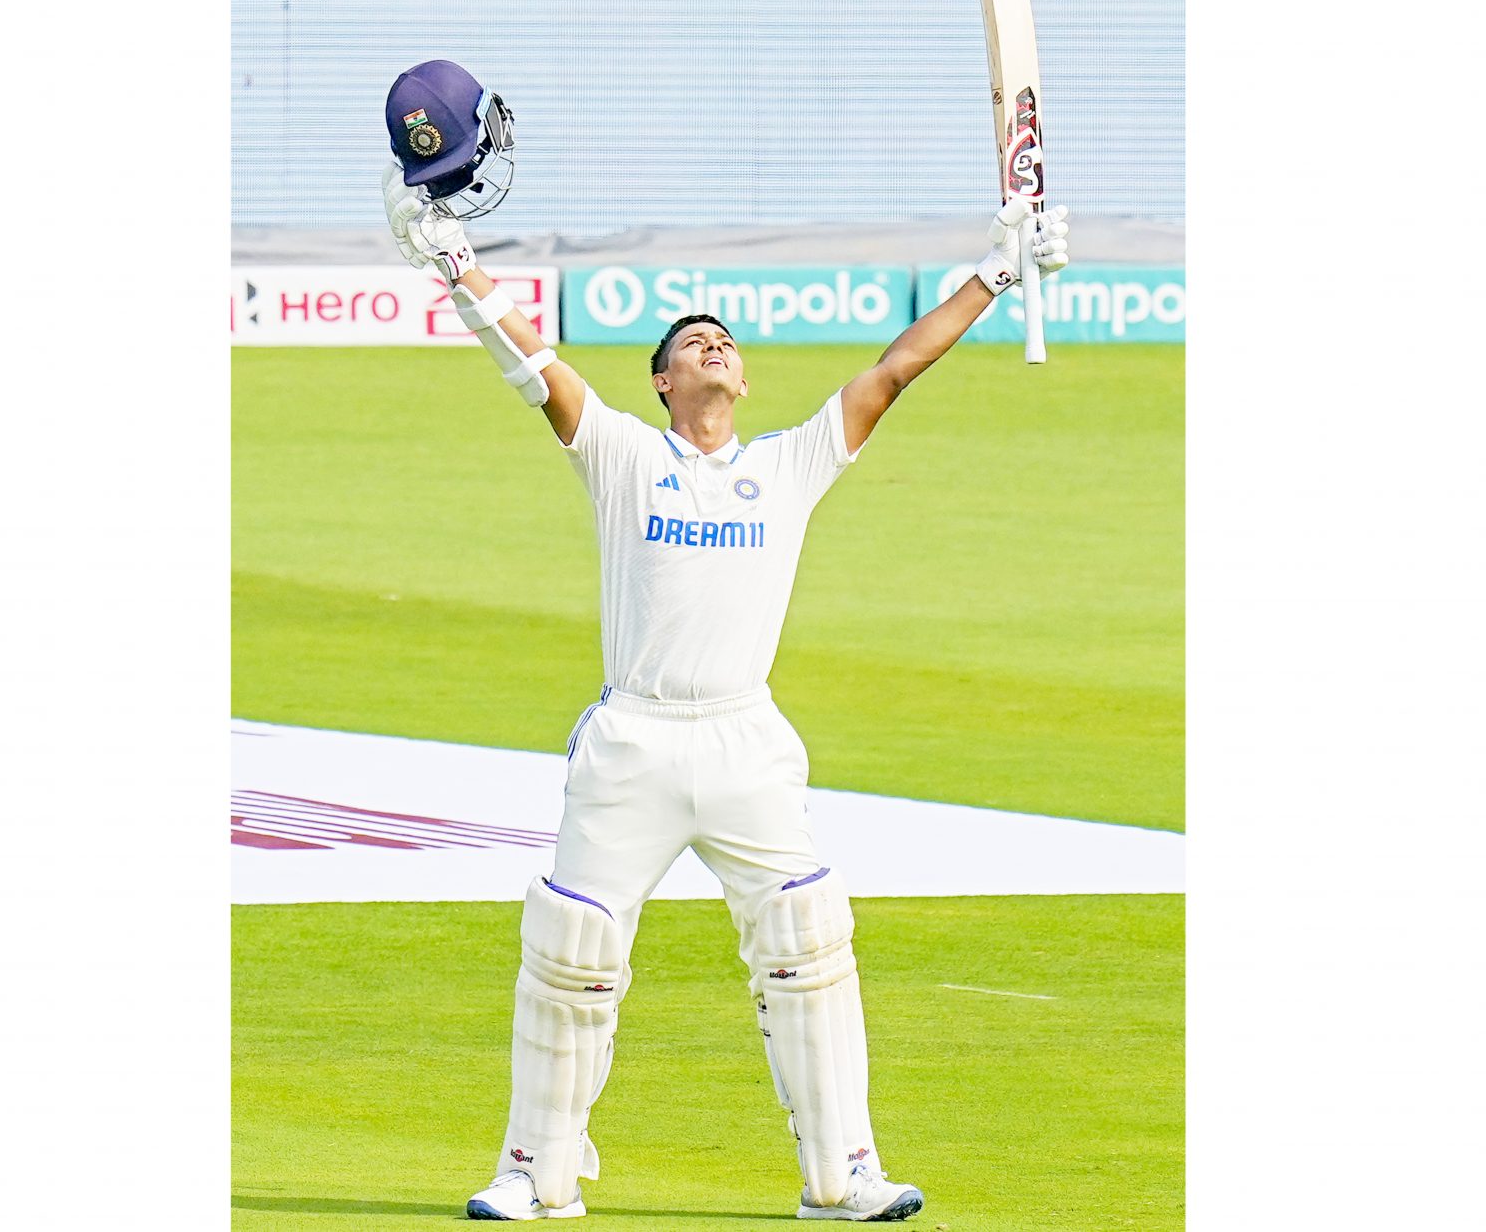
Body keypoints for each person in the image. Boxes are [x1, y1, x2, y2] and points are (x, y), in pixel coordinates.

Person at [379, 63, 1068, 1224]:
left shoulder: (789, 465)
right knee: (571, 952)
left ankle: (841, 1177)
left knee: (808, 940)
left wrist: (999, 268)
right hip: (635, 742)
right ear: (660, 383)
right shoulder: (621, 456)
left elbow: (896, 368)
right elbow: (529, 362)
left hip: (746, 740)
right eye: (689, 341)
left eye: (723, 341)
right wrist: (451, 262)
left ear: (740, 380)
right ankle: (535, 1173)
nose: (711, 344)